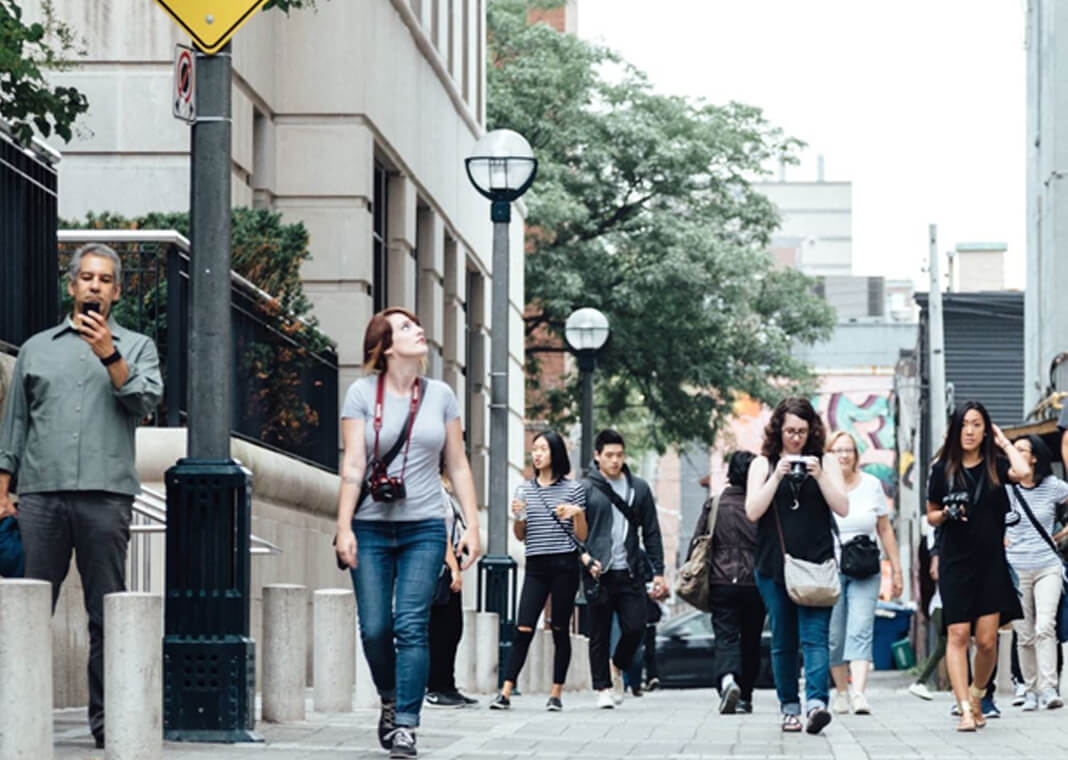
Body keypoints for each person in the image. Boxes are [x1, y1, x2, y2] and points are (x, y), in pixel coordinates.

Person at [0, 243, 163, 749]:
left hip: (105, 497)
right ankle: (12, 714)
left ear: (117, 290)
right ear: (71, 286)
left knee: (105, 614)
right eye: (86, 277)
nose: (94, 286)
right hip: (41, 497)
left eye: (105, 279)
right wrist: (3, 491)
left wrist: (108, 353)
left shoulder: (137, 347)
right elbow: (15, 428)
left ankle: (108, 722)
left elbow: (144, 401)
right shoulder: (36, 348)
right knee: (26, 611)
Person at [334, 307, 481, 759]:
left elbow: (456, 463)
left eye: (417, 323)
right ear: (384, 346)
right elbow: (354, 464)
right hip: (371, 527)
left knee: (411, 625)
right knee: (376, 628)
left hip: (424, 527)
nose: (418, 330)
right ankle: (391, 698)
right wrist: (343, 527)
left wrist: (473, 525)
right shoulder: (361, 394)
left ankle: (406, 726)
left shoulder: (441, 395)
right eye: (404, 327)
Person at [745, 397, 848, 735]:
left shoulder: (826, 462)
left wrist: (820, 477)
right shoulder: (762, 464)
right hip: (774, 566)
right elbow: (752, 511)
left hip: (817, 564)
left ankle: (817, 705)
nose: (796, 439)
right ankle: (789, 706)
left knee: (816, 639)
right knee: (784, 640)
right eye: (789, 431)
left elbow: (843, 508)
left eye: (802, 432)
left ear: (812, 431)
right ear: (778, 430)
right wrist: (776, 476)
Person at [925, 401, 1027, 732]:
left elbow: (1024, 473)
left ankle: (978, 693)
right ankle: (964, 709)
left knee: (986, 642)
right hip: (956, 561)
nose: (969, 431)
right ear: (956, 430)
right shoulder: (942, 469)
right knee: (958, 633)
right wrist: (948, 514)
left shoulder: (997, 465)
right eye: (964, 424)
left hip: (990, 562)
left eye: (977, 424)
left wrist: (1004, 442)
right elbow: (931, 513)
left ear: (986, 429)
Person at [490, 430, 587, 712]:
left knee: (559, 628)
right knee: (523, 627)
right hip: (536, 565)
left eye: (543, 449)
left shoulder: (574, 489)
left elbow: (581, 536)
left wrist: (577, 514)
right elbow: (521, 535)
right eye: (535, 449)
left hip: (565, 566)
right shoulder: (524, 489)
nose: (537, 454)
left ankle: (556, 693)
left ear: (556, 453)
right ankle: (505, 691)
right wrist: (518, 516)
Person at [581, 429, 667, 709]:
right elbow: (575, 533)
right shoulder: (586, 487)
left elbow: (651, 532)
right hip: (599, 570)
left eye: (619, 455)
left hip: (630, 570)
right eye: (609, 455)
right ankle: (602, 687)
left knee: (636, 626)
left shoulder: (638, 488)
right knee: (599, 631)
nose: (615, 461)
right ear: (597, 456)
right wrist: (585, 559)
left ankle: (616, 666)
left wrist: (658, 571)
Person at [826, 431, 904, 715]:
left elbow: (885, 528)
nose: (844, 456)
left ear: (856, 456)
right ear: (829, 456)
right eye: (837, 451)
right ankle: (841, 693)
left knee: (860, 629)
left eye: (848, 450)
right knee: (834, 635)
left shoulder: (871, 485)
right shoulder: (822, 486)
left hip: (865, 568)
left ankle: (859, 694)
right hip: (831, 568)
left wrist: (897, 570)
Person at [1004, 434, 1067, 710]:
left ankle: (1048, 688)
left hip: (1047, 565)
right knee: (1024, 633)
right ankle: (1029, 689)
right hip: (1016, 568)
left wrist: (1063, 534)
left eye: (1021, 450)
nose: (1014, 454)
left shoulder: (1052, 486)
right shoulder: (1005, 488)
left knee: (1045, 627)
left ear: (1033, 458)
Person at [701, 450, 765, 715]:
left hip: (722, 581)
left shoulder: (716, 504)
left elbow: (700, 540)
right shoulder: (760, 506)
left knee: (726, 636)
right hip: (755, 583)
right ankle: (746, 696)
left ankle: (728, 680)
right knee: (751, 640)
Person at [425, 476, 477, 708]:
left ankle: (448, 685)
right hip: (439, 563)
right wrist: (453, 568)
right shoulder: (430, 484)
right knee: (440, 629)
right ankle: (435, 688)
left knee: (452, 628)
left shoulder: (443, 486)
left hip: (448, 561)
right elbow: (437, 528)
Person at [909, 530, 946, 700]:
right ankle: (921, 681)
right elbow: (931, 574)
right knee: (946, 644)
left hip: (940, 603)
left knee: (950, 644)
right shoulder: (933, 543)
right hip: (940, 604)